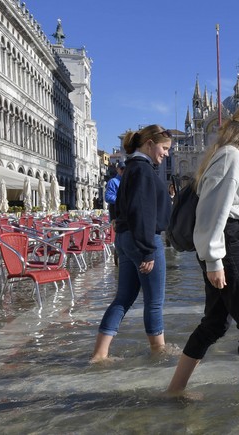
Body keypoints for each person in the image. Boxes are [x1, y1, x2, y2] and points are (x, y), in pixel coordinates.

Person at [166, 99, 239, 395]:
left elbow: (227, 206)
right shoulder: (230, 156)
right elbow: (210, 213)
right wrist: (214, 259)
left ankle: (176, 389)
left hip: (230, 236)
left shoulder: (231, 155)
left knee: (215, 323)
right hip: (226, 243)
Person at [90, 125, 173, 363]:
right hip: (143, 240)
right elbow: (143, 211)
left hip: (126, 238)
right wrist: (148, 250)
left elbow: (121, 207)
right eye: (164, 148)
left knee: (124, 297)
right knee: (154, 302)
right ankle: (158, 352)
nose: (166, 154)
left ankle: (99, 354)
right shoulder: (144, 170)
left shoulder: (130, 169)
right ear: (149, 144)